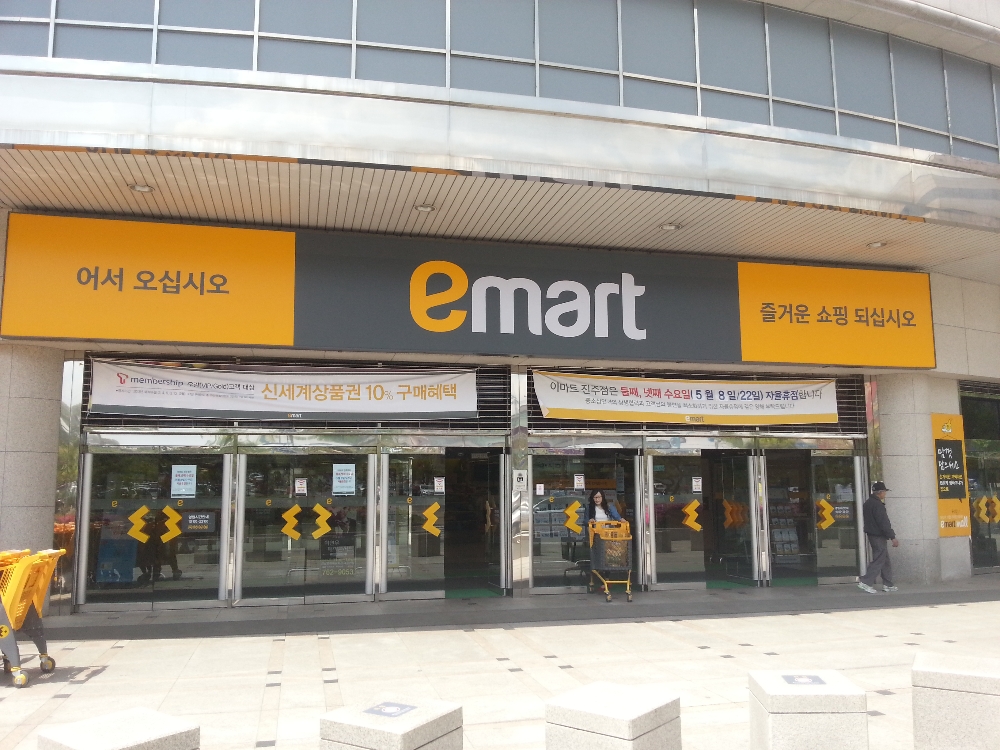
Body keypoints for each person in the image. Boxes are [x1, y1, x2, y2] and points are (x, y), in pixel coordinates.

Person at [858, 481, 898, 594]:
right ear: (880, 492)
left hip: (872, 534)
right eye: (884, 492)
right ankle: (866, 581)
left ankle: (888, 584)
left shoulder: (868, 503)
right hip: (878, 535)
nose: (885, 494)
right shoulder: (878, 505)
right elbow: (883, 522)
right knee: (879, 559)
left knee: (884, 559)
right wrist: (892, 537)